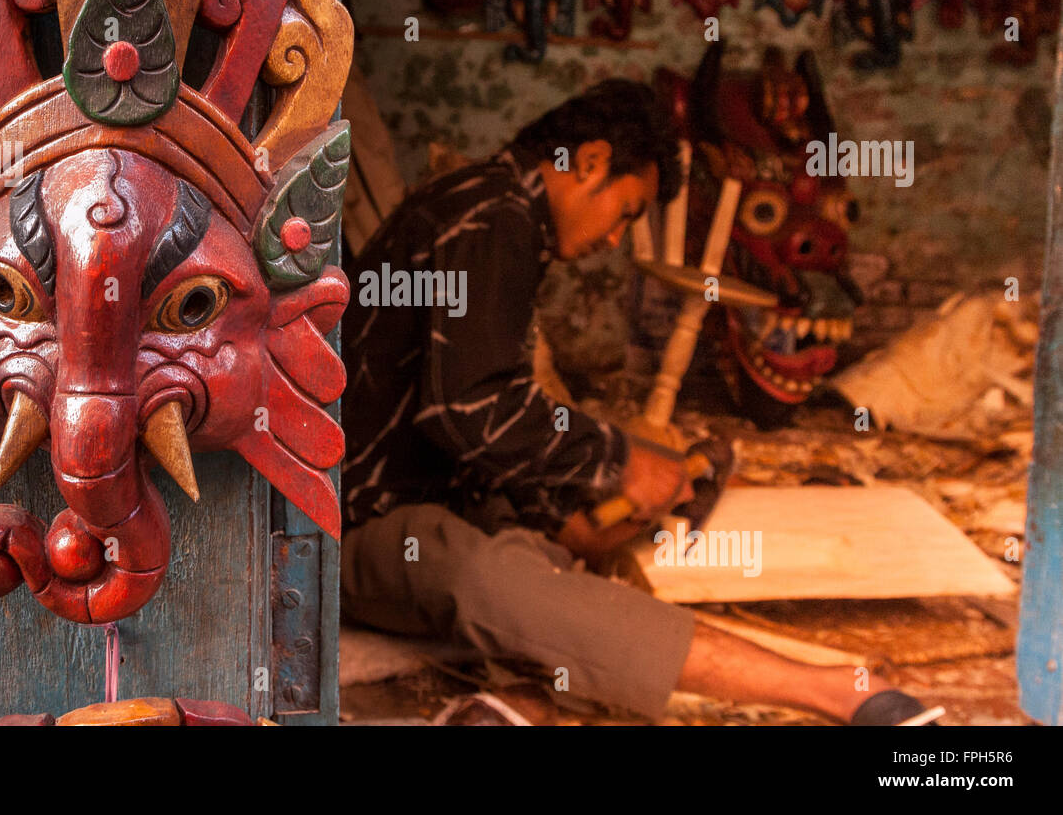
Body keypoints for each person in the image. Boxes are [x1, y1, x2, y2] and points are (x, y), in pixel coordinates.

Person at [339, 79, 934, 725]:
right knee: (492, 580)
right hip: (353, 523)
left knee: (550, 561)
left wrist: (561, 506)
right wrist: (618, 460)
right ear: (591, 162)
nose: (619, 238)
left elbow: (465, 407)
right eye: (628, 210)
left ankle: (516, 702)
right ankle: (837, 692)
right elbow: (469, 409)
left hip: (415, 495)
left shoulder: (488, 206)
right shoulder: (494, 216)